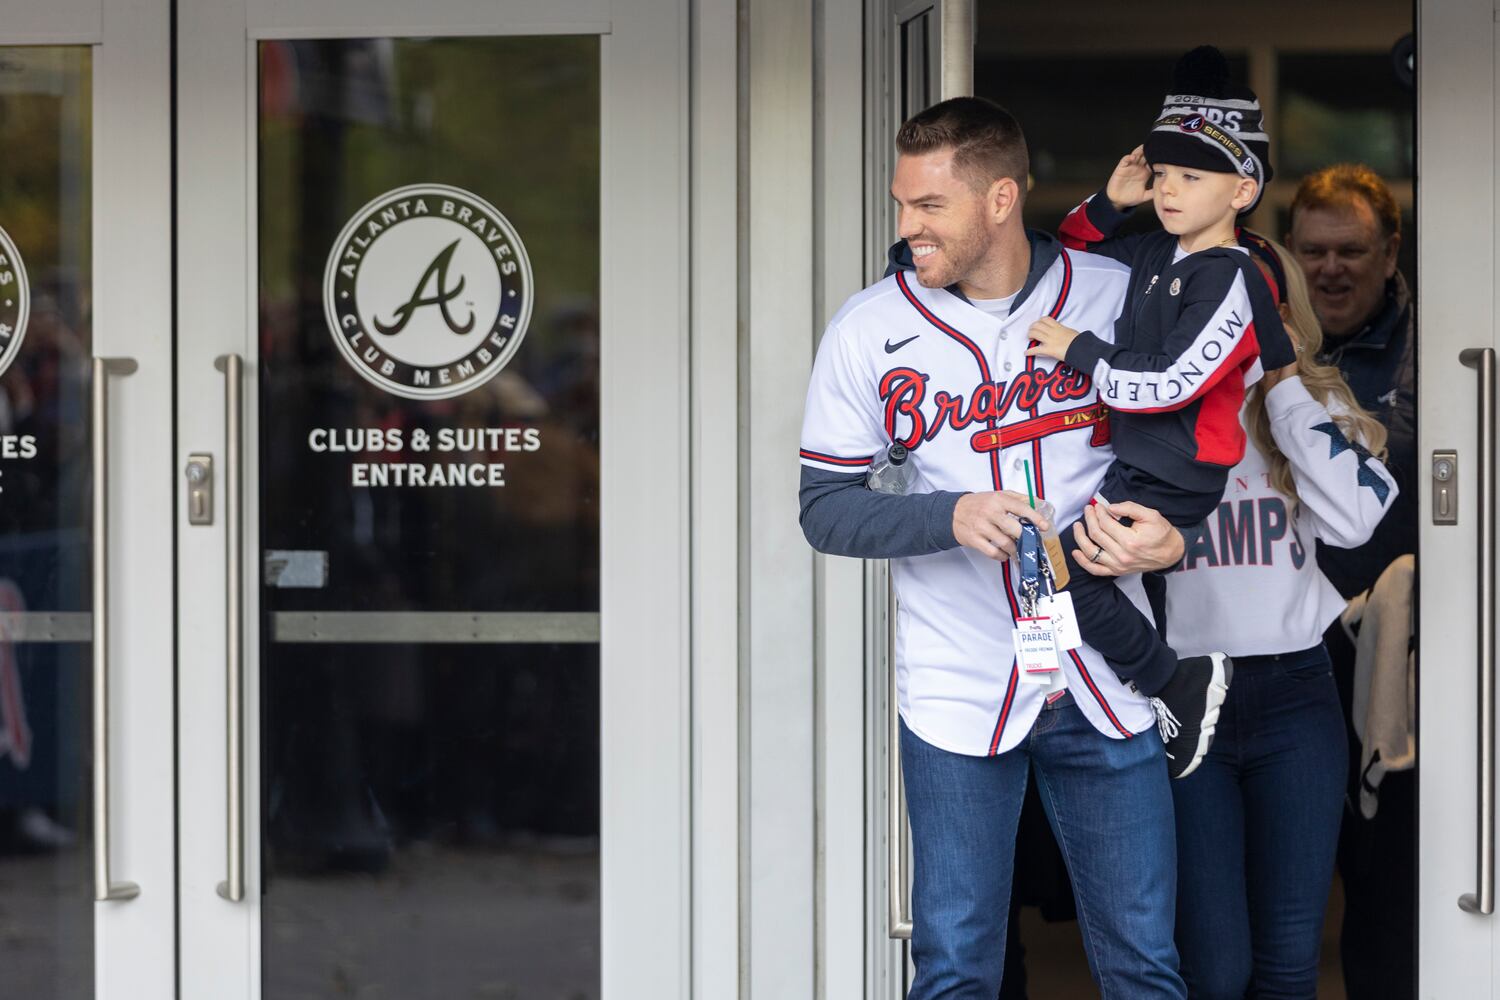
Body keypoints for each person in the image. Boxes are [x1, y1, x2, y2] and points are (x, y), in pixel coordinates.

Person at [799, 95, 1189, 998]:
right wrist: (948, 514)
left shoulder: (1113, 295)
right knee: (954, 965)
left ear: (1001, 199)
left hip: (1106, 674)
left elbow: (1194, 455)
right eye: (903, 203)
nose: (907, 226)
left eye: (930, 205)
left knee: (1143, 963)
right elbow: (825, 508)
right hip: (958, 679)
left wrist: (1174, 537)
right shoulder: (868, 326)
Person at [1034, 46, 1297, 778]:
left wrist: (1079, 351)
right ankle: (1162, 688)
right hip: (1140, 459)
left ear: (1244, 190)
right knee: (1094, 576)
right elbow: (1069, 262)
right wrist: (1112, 201)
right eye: (1162, 173)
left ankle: (1172, 681)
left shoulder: (1238, 277)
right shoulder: (1153, 250)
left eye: (1193, 176)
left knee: (1062, 570)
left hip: (1179, 468)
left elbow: (1172, 383)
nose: (1170, 189)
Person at [1164, 236, 1398, 999]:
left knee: (1289, 960)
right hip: (1186, 695)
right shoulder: (1153, 410)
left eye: (1251, 308)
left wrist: (1282, 384)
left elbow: (1358, 519)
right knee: (1214, 965)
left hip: (1295, 694)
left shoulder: (1307, 407)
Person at [1286, 164, 1416, 1000]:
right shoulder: (1261, 341)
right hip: (1284, 654)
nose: (1330, 269)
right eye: (1313, 252)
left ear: (1390, 252)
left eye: (1352, 251)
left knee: (1387, 895)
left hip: (1391, 655)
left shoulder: (1436, 345)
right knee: (1281, 901)